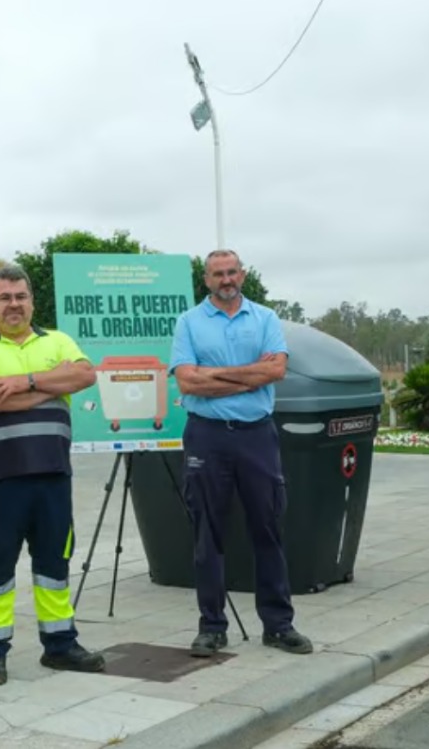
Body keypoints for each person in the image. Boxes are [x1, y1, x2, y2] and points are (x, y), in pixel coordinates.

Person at [0, 264, 107, 686]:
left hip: (53, 475)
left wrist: (22, 381)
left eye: (20, 296)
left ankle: (59, 646)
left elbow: (85, 374)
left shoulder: (57, 340)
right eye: (5, 297)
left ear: (32, 302)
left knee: (54, 563)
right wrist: (52, 385)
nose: (14, 304)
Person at [169, 248, 314, 658]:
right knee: (207, 534)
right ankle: (212, 627)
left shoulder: (265, 318)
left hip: (256, 436)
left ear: (242, 275)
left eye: (232, 272)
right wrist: (249, 377)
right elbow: (188, 383)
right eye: (218, 274)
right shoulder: (189, 322)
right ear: (206, 279)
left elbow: (275, 370)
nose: (226, 280)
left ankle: (278, 625)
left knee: (267, 528)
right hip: (207, 436)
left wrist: (213, 374)